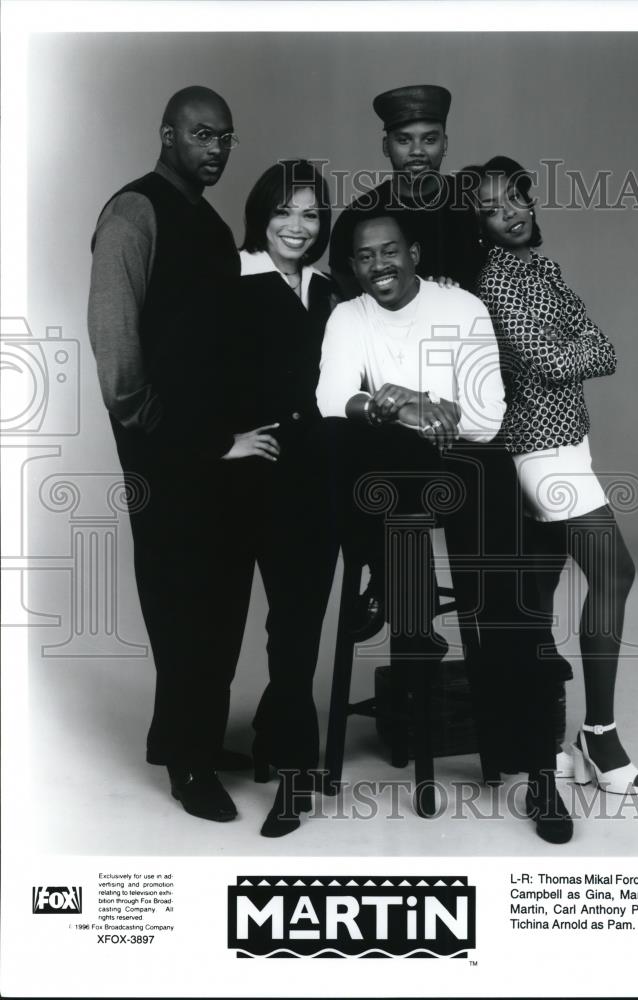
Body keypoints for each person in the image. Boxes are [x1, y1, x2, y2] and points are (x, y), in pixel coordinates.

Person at [317, 210, 573, 843]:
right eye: (365, 256)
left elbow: (487, 417)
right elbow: (330, 398)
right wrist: (406, 405)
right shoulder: (348, 316)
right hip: (391, 469)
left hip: (463, 461)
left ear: (415, 253)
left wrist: (415, 404)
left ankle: (538, 772)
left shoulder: (461, 308)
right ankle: (398, 594)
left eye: (390, 251)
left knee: (508, 603)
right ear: (353, 267)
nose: (379, 265)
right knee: (347, 443)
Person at [87, 85, 248, 823]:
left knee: (216, 590)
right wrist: (152, 424)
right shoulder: (134, 211)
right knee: (181, 595)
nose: (215, 149)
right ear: (168, 135)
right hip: (162, 446)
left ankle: (181, 736)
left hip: (216, 442)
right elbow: (116, 342)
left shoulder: (210, 225)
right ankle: (189, 765)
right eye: (202, 135)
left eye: (225, 138)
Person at [470, 155, 638, 796]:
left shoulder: (542, 269)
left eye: (514, 199)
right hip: (539, 452)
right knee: (615, 573)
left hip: (571, 439)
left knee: (547, 590)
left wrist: (577, 350)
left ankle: (550, 742)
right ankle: (600, 734)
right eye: (490, 209)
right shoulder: (498, 281)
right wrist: (579, 348)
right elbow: (554, 358)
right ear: (480, 225)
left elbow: (603, 348)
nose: (508, 215)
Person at [218, 159, 338, 837]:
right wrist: (221, 441)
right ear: (260, 215)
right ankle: (261, 744)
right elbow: (187, 368)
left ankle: (289, 768)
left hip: (315, 479)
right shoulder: (230, 277)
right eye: (284, 211)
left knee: (296, 630)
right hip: (247, 480)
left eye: (311, 213)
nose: (297, 226)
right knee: (235, 625)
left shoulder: (329, 290)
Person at [327, 84, 482, 299]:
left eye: (429, 140)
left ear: (445, 144)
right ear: (386, 146)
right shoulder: (356, 218)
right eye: (403, 140)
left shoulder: (472, 201)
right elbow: (348, 301)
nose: (417, 151)